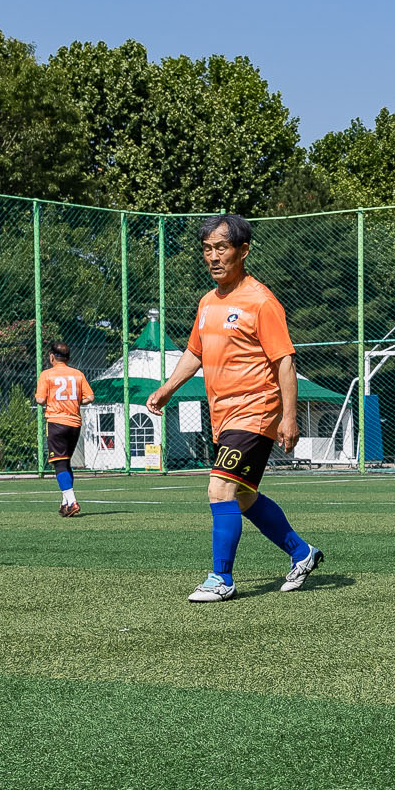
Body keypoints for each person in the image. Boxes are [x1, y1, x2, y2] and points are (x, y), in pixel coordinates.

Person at [144, 213, 322, 602]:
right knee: (242, 497)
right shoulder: (207, 302)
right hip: (222, 416)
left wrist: (288, 418)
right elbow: (195, 352)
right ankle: (301, 552)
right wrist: (168, 388)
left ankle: (221, 579)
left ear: (243, 250)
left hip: (256, 411)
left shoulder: (262, 301)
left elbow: (284, 362)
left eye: (221, 248)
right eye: (207, 249)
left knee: (220, 488)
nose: (213, 257)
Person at [36, 342, 93, 516]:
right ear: (68, 358)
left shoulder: (47, 375)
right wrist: (74, 402)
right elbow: (90, 397)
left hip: (56, 422)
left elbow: (40, 400)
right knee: (65, 462)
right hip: (74, 424)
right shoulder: (77, 374)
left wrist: (54, 401)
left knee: (59, 463)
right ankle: (65, 503)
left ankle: (72, 501)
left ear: (52, 357)